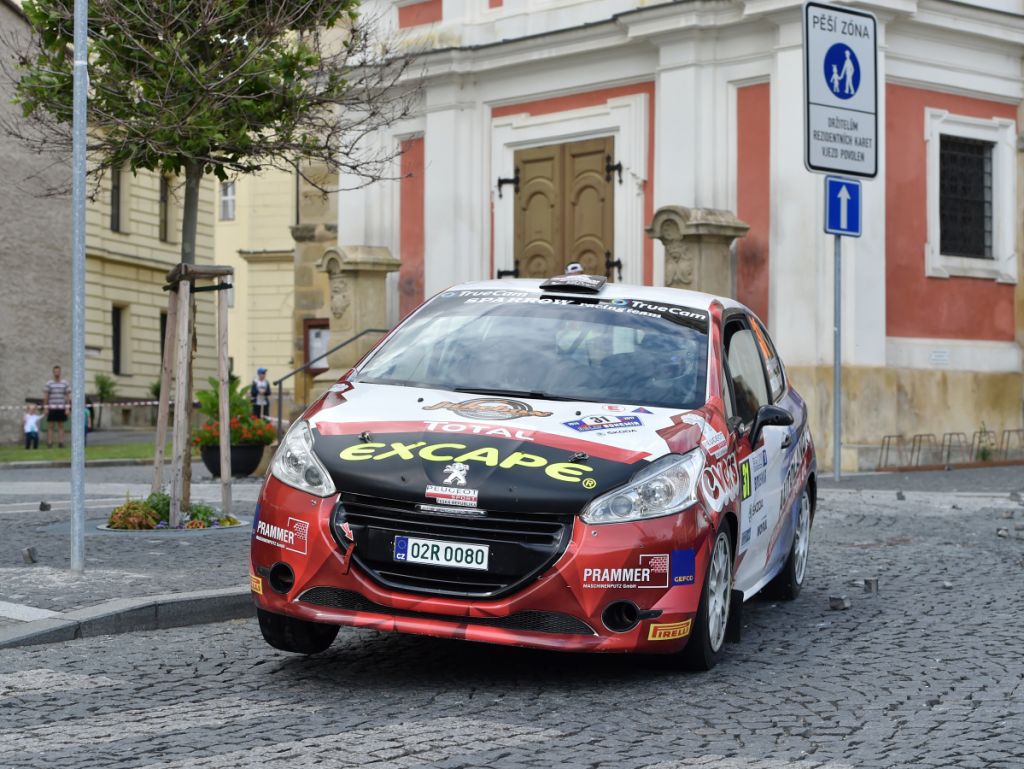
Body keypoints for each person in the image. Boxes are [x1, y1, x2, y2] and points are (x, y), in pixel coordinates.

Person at [43, 365, 70, 448]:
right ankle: (50, 443)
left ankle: (61, 443)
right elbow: (46, 396)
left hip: (61, 407)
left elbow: (67, 397)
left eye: (58, 371)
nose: (57, 373)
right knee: (50, 426)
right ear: (53, 373)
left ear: (60, 372)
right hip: (52, 407)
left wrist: (67, 408)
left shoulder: (65, 383)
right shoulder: (49, 383)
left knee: (61, 426)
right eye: (55, 372)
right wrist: (46, 408)